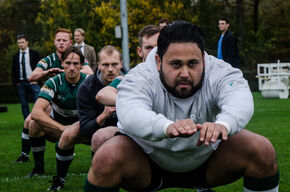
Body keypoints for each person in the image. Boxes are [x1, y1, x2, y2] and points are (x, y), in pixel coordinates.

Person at [85, 21, 279, 192]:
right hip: (146, 161)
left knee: (262, 149)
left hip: (207, 159)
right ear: (159, 61)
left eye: (193, 63)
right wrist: (166, 126)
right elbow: (129, 111)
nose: (185, 73)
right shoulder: (141, 75)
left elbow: (240, 97)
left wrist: (224, 124)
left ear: (203, 59)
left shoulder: (219, 71)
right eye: (176, 64)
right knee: (106, 156)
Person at [14, 28, 93, 163]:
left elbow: (89, 72)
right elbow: (32, 76)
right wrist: (47, 72)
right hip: (52, 99)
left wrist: (67, 70)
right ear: (54, 42)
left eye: (64, 40)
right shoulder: (48, 60)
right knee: (30, 121)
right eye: (58, 40)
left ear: (70, 42)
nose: (61, 43)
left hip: (76, 100)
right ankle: (25, 155)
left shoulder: (78, 57)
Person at [27, 46, 88, 191]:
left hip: (83, 130)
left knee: (102, 134)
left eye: (75, 63)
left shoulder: (89, 82)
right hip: (59, 128)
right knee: (34, 124)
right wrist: (62, 128)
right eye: (68, 63)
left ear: (81, 65)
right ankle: (39, 168)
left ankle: (100, 172)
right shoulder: (53, 82)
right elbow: (36, 112)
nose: (71, 67)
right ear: (62, 64)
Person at [77, 45, 126, 154]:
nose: (110, 69)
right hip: (98, 129)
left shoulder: (133, 81)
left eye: (114, 64)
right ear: (98, 65)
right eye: (105, 65)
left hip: (127, 130)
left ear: (121, 64)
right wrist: (103, 116)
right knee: (70, 134)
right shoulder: (86, 87)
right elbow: (85, 131)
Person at [12, 34, 41, 163]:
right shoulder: (15, 56)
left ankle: (37, 120)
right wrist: (16, 82)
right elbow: (14, 70)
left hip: (33, 82)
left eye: (22, 42)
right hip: (22, 83)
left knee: (38, 102)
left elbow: (40, 68)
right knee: (24, 104)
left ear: (27, 42)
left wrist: (37, 79)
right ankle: (27, 124)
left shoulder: (35, 54)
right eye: (19, 43)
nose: (20, 45)